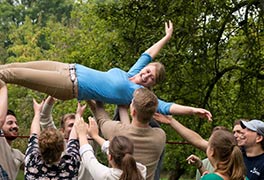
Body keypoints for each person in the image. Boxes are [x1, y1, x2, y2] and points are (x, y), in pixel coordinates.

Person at [0, 21, 212, 120]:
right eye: (148, 71)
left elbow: (167, 107)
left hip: (68, 86)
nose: (146, 75)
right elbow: (148, 55)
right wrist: (166, 38)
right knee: (8, 67)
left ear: (151, 85)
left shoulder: (136, 94)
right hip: (66, 67)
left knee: (8, 76)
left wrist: (193, 110)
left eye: (151, 78)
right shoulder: (131, 73)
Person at [153, 114, 264, 180]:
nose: (239, 134)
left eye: (247, 130)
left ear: (259, 138)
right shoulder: (234, 151)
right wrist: (171, 121)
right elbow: (197, 140)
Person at [87, 87, 166, 180]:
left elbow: (101, 116)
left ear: (133, 111)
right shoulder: (160, 136)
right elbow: (130, 130)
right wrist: (122, 109)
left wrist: (90, 94)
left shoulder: (116, 130)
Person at [39, 95, 95, 180]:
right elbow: (44, 118)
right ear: (62, 131)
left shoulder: (89, 141)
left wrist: (86, 94)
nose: (76, 127)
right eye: (71, 125)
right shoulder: (57, 145)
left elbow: (99, 117)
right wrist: (53, 94)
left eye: (78, 123)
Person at [75, 115, 146, 180]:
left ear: (110, 157)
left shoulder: (106, 176)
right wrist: (95, 136)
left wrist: (82, 134)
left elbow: (88, 159)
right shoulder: (141, 170)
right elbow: (118, 151)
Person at [24, 99, 81, 179]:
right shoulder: (71, 164)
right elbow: (73, 139)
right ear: (63, 147)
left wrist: (37, 112)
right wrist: (78, 114)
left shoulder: (31, 161)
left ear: (39, 147)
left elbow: (34, 134)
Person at [0, 80, 24, 180]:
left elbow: (35, 165)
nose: (15, 126)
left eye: (16, 123)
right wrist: (3, 88)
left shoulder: (18, 154)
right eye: (10, 123)